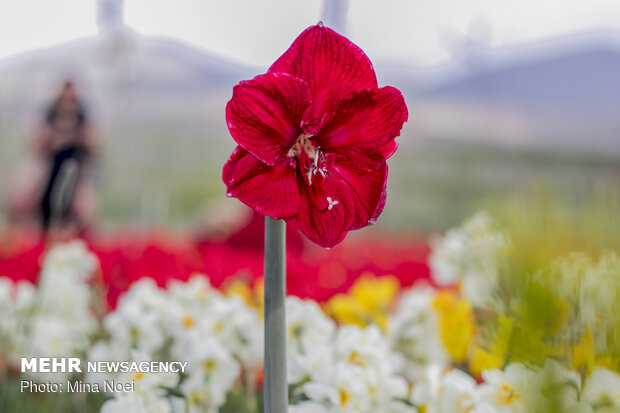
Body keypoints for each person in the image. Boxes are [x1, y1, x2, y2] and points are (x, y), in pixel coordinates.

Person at [7, 81, 99, 236]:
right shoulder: (48, 114)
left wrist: (69, 139)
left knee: (83, 210)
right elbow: (37, 140)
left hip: (75, 168)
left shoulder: (83, 116)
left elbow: (93, 141)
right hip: (48, 167)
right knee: (24, 201)